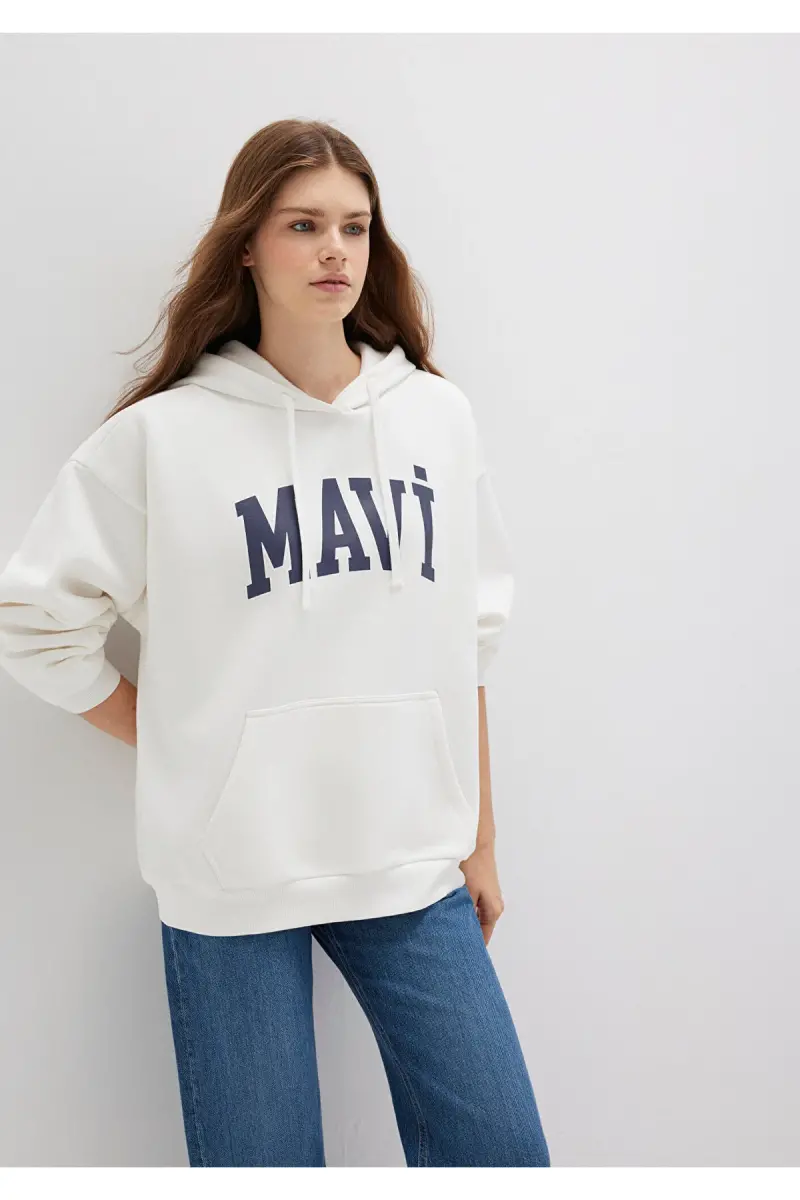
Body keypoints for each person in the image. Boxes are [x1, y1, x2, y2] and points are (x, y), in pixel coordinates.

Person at [0, 119, 550, 1168]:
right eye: (303, 225)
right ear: (247, 244)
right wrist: (181, 738)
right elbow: (34, 624)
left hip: (411, 867)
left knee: (502, 1159)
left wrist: (478, 840)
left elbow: (467, 641)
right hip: (230, 880)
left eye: (354, 226)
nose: (335, 250)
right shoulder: (165, 437)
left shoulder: (436, 419)